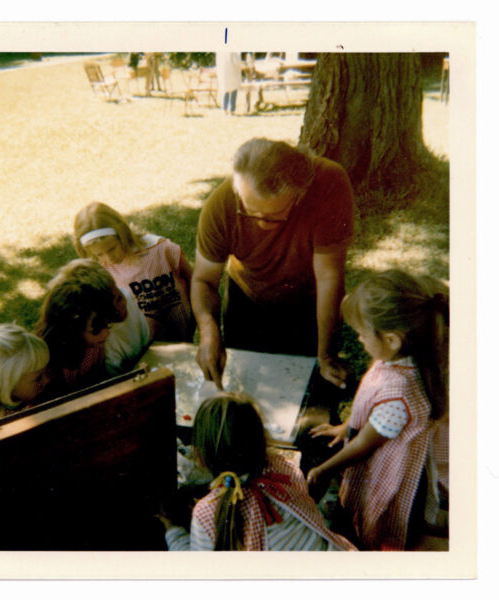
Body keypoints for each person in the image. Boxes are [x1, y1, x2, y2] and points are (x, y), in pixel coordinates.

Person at [191, 137, 355, 390]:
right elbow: (203, 280)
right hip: (246, 301)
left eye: (271, 217)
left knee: (307, 387)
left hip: (308, 302)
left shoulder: (329, 182)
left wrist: (326, 356)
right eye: (249, 210)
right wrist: (209, 332)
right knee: (245, 388)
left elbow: (329, 277)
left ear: (299, 193)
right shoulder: (220, 206)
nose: (259, 222)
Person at [306, 270, 449, 550]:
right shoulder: (400, 357)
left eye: (361, 334)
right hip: (377, 445)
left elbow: (364, 445)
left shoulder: (400, 396)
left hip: (388, 468)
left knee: (381, 515)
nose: (359, 340)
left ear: (393, 339)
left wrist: (323, 470)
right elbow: (371, 411)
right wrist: (346, 425)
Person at [160, 393, 356, 551]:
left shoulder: (206, 513)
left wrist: (172, 530)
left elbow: (198, 574)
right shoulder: (284, 468)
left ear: (200, 457)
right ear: (263, 441)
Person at [73, 202, 195, 342]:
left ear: (122, 234)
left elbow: (192, 279)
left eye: (112, 249)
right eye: (100, 254)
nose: (109, 257)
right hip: (142, 339)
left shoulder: (161, 249)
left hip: (181, 326)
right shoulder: (101, 270)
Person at [35, 258, 151, 396]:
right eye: (110, 310)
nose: (119, 309)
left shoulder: (95, 338)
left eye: (119, 298)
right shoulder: (51, 358)